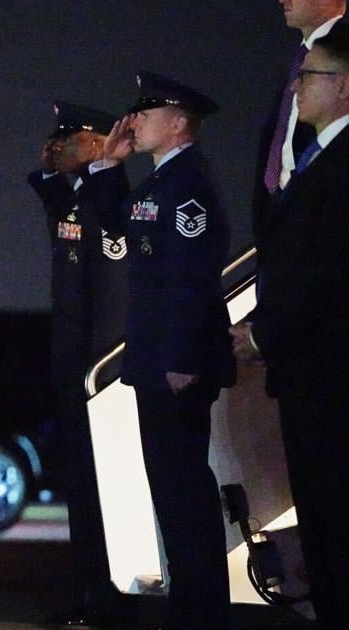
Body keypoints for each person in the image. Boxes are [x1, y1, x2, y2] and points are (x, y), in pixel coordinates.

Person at [90, 72, 236, 630]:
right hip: (154, 359)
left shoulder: (188, 183)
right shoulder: (161, 181)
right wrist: (110, 164)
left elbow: (191, 278)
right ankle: (189, 607)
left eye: (147, 113)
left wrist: (181, 359)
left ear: (178, 124)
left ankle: (203, 612)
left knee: (184, 491)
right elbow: (119, 226)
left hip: (175, 362)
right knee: (170, 492)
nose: (134, 121)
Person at [230, 21, 349, 628]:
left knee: (335, 517)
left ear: (344, 86)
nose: (297, 87)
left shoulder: (341, 165)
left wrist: (262, 335)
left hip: (330, 374)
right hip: (309, 370)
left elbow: (327, 275)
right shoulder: (319, 159)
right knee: (321, 520)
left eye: (310, 76)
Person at [26, 102, 129, 626]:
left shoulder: (111, 202)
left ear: (95, 144)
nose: (57, 146)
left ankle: (110, 600)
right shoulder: (78, 198)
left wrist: (102, 371)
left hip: (98, 371)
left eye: (68, 139)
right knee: (81, 488)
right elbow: (57, 211)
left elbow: (113, 298)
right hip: (73, 368)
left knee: (104, 491)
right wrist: (50, 172)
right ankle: (88, 592)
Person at [254, 0, 344, 223]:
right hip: (281, 207)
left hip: (324, 210)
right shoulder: (298, 55)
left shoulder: (341, 52)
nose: (283, 0)